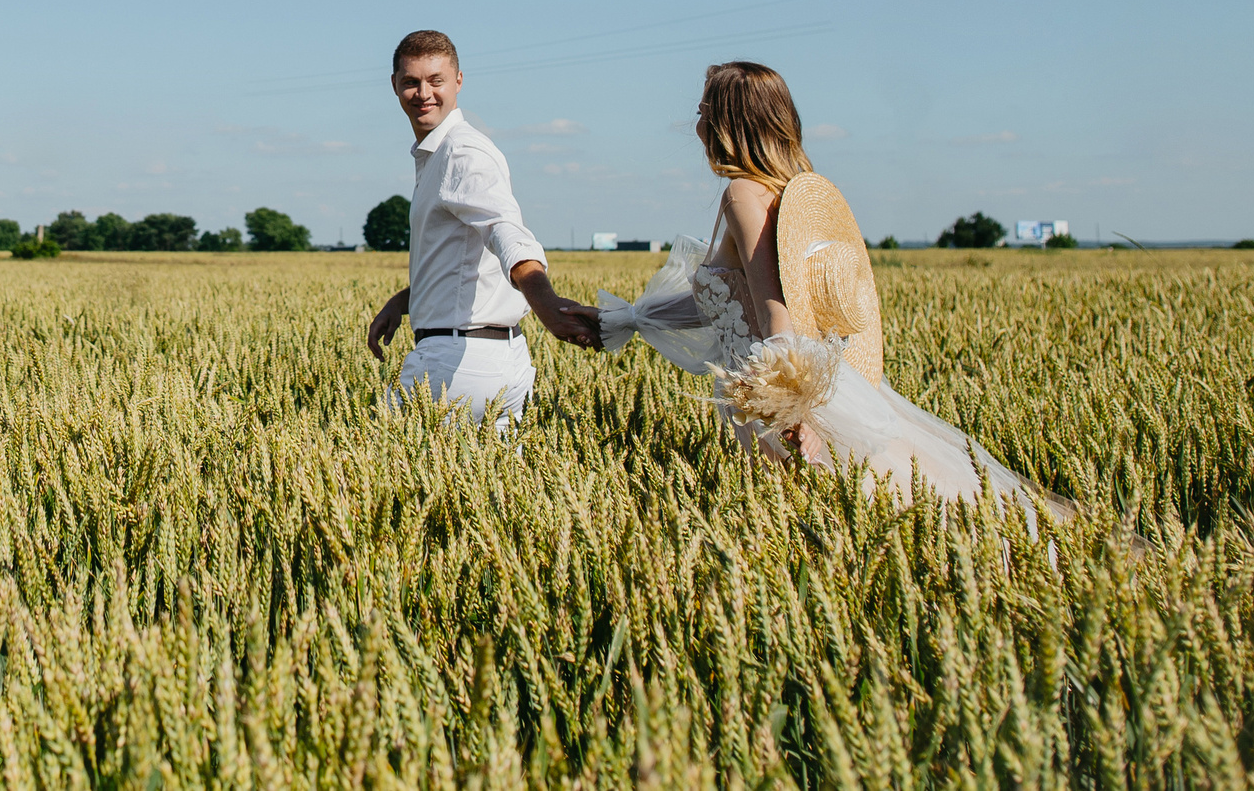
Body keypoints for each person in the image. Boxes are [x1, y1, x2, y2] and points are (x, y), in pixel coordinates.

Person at [600, 60, 1067, 517]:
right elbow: (729, 303)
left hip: (777, 394)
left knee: (844, 515)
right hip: (797, 384)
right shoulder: (781, 189)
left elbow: (772, 310)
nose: (696, 124)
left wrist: (790, 411)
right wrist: (626, 321)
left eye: (704, 112)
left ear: (728, 123)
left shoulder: (743, 194)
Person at [363, 30, 602, 425]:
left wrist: (546, 303)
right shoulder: (437, 154)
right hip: (502, 361)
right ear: (394, 85)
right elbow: (462, 259)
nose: (423, 93)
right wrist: (403, 302)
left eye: (436, 80)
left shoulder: (461, 151)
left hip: (453, 362)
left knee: (371, 469)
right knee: (501, 485)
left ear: (458, 80)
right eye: (411, 82)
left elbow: (504, 230)